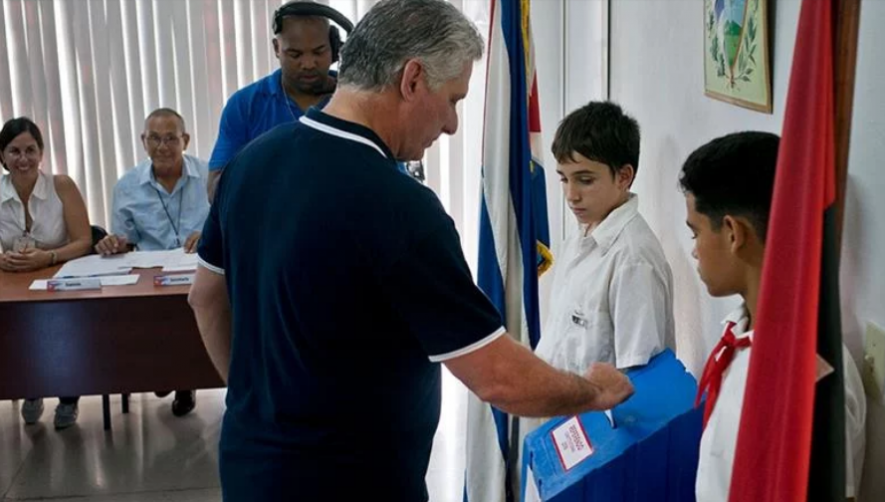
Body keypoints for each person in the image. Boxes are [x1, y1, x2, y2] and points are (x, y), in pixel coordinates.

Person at [187, 1, 634, 500]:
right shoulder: (401, 208)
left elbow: (205, 298)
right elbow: (499, 380)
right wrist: (594, 391)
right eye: (453, 100)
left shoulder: (250, 164)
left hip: (250, 468)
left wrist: (254, 402)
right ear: (413, 79)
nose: (451, 125)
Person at [680, 131, 866, 501]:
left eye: (695, 232)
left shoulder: (808, 385)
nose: (695, 252)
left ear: (734, 233)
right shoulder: (740, 336)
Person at [534, 101, 675, 376]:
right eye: (564, 179)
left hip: (594, 418)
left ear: (624, 176)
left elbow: (637, 383)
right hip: (558, 414)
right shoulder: (581, 234)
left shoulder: (633, 260)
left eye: (585, 180)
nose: (571, 195)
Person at [95, 108, 210, 417]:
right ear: (143, 141)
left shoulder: (210, 177)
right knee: (153, 322)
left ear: (185, 140)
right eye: (155, 138)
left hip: (199, 271)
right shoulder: (127, 186)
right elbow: (125, 242)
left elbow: (229, 223)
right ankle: (166, 373)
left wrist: (210, 235)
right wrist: (114, 244)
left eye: (171, 138)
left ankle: (185, 380)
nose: (162, 146)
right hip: (150, 277)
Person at [206, 0, 352, 199]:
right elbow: (215, 191)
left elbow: (392, 178)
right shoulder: (244, 105)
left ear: (335, 49)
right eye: (295, 54)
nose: (308, 64)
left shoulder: (357, 100)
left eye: (319, 52)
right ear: (277, 48)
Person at [0, 117, 92, 429]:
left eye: (30, 150)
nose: (23, 159)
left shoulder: (61, 185)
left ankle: (68, 394)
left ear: (41, 153)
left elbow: (84, 240)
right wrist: (4, 260)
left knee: (61, 326)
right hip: (13, 280)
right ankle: (31, 386)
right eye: (14, 151)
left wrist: (47, 257)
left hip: (61, 275)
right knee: (16, 328)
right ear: (2, 156)